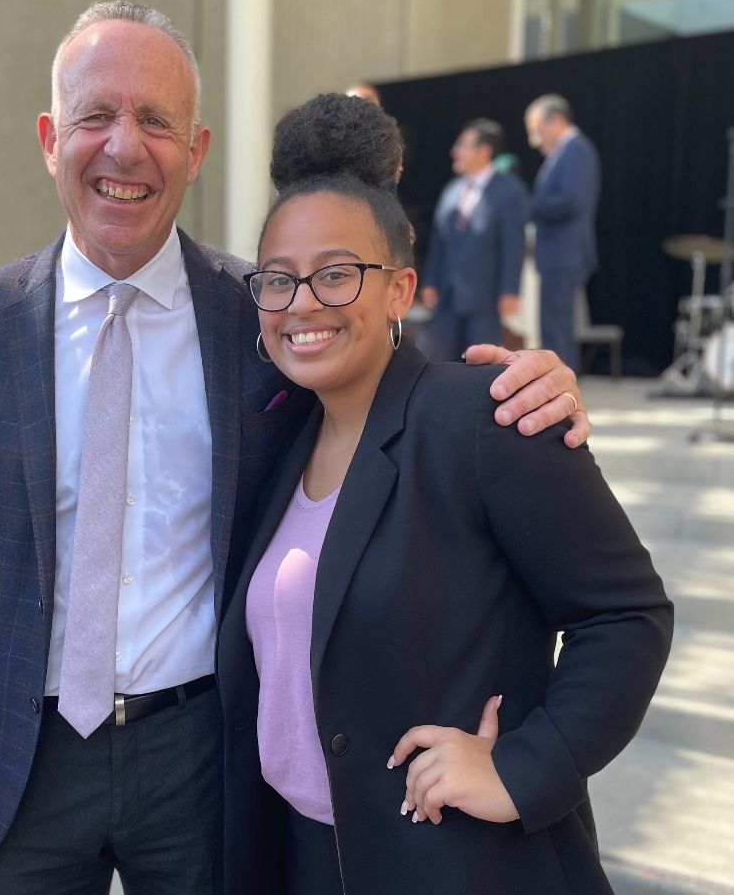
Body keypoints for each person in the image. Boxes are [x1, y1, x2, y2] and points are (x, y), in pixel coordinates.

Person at [0, 3, 588, 895]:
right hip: (16, 759)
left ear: (196, 150)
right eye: (95, 117)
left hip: (203, 755)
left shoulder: (263, 312)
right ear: (48, 136)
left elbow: (385, 393)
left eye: (157, 121)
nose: (124, 147)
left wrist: (527, 390)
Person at [217, 93, 673, 895]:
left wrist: (524, 769)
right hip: (304, 860)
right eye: (278, 281)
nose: (303, 305)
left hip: (460, 865)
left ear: (400, 289)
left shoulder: (483, 417)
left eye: (337, 274)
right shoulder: (280, 439)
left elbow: (626, 615)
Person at [419, 118, 529, 360]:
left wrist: (510, 290)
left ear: (484, 151)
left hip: (485, 298)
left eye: (462, 145)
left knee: (482, 363)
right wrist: (430, 281)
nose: (454, 151)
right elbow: (439, 241)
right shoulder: (451, 190)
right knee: (440, 360)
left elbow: (513, 245)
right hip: (447, 296)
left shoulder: (509, 190)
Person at [525, 94, 601, 373]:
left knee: (558, 330)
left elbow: (571, 201)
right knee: (552, 328)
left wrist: (528, 205)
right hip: (556, 255)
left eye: (537, 130)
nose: (535, 138)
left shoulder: (576, 150)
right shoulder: (562, 153)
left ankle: (562, 394)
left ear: (556, 121)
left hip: (564, 254)